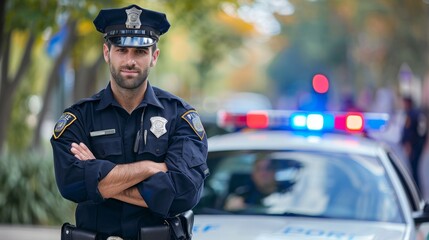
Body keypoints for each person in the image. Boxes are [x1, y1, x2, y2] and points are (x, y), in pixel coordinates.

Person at [50, 4, 209, 240]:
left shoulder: (181, 117)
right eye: (122, 50)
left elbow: (183, 193)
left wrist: (99, 177)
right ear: (107, 53)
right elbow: (72, 185)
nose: (130, 60)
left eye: (140, 52)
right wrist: (150, 168)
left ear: (154, 57)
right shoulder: (79, 117)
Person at [400, 96, 427, 189]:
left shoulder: (411, 115)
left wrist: (409, 145)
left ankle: (415, 188)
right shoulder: (416, 114)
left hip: (414, 147)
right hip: (417, 146)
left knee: (414, 168)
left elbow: (409, 132)